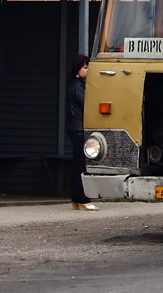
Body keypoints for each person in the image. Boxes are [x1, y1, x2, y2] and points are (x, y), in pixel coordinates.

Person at [66, 54, 98, 211]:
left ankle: (77, 199)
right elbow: (88, 104)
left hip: (76, 128)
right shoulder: (78, 87)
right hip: (79, 129)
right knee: (81, 165)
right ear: (78, 69)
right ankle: (82, 198)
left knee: (79, 164)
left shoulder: (77, 85)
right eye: (85, 67)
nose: (89, 70)